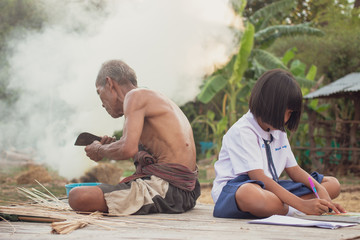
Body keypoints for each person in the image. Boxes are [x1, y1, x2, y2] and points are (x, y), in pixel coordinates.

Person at [69, 60, 200, 215]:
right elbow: (140, 148)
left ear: (109, 83)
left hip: (168, 190)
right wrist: (111, 146)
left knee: (78, 196)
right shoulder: (149, 98)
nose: (102, 105)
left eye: (99, 93)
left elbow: (127, 149)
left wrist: (100, 149)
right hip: (186, 192)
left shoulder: (135, 96)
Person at [211, 69, 346, 219]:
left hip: (271, 189)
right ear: (270, 105)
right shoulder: (243, 131)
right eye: (286, 112)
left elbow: (294, 170)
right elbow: (259, 177)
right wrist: (301, 205)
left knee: (332, 184)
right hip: (236, 191)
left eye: (291, 113)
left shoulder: (278, 131)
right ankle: (296, 207)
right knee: (251, 194)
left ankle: (285, 207)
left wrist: (319, 188)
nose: (287, 119)